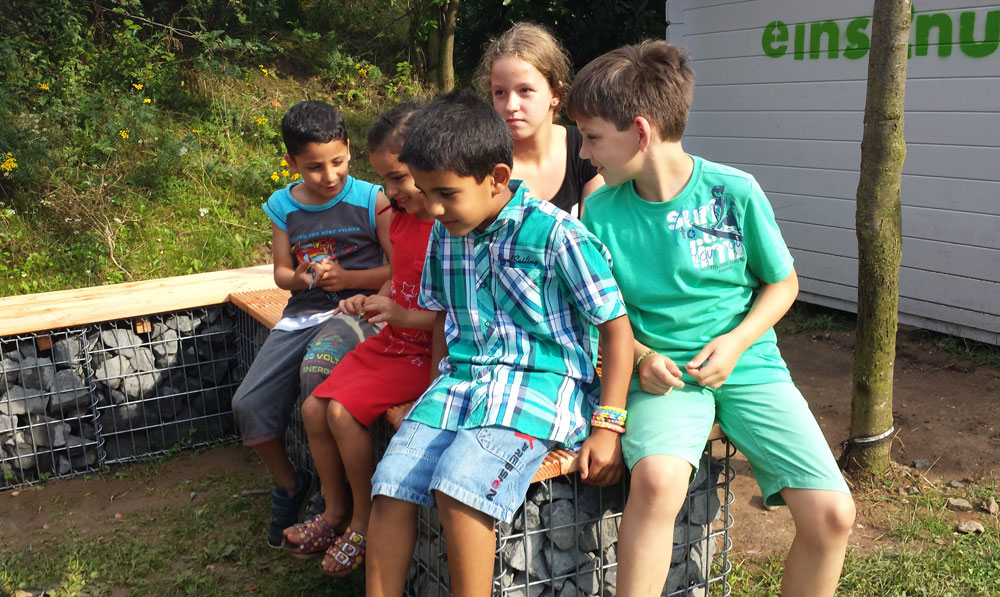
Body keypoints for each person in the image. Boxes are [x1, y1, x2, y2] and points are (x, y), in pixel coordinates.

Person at [569, 41, 856, 596]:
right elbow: (595, 315)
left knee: (833, 515)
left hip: (749, 366)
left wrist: (737, 341)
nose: (585, 152)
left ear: (641, 131)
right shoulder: (598, 212)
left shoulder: (735, 191)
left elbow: (782, 283)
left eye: (593, 136)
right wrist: (643, 358)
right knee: (657, 481)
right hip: (662, 378)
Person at [364, 90, 635, 597]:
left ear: (497, 178)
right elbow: (444, 318)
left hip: (538, 387)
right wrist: (430, 395)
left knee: (460, 485)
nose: (433, 207)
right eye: (425, 191)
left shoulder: (558, 235)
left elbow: (616, 327)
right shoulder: (446, 231)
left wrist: (609, 425)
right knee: (391, 482)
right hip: (461, 382)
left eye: (446, 193)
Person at [280, 102, 437, 578]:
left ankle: (362, 523)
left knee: (340, 412)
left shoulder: (445, 225)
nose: (390, 192)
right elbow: (398, 276)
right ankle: (334, 511)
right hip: (395, 340)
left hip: (424, 349)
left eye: (399, 178)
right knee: (313, 407)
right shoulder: (403, 217)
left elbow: (450, 311)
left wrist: (399, 313)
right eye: (385, 180)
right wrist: (373, 299)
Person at [231, 99, 392, 549]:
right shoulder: (283, 205)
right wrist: (301, 279)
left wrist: (349, 279)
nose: (329, 176)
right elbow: (281, 274)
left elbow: (398, 271)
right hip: (302, 314)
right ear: (292, 163)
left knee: (316, 372)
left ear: (348, 149)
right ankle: (291, 483)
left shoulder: (372, 199)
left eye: (337, 162)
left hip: (357, 310)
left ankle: (333, 498)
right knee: (248, 403)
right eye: (314, 167)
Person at [477, 22, 603, 216]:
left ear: (555, 94)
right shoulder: (479, 160)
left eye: (525, 90)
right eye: (500, 92)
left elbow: (594, 231)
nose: (511, 106)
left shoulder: (586, 148)